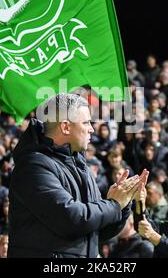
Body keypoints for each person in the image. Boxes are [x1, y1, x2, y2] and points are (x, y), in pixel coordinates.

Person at [8, 94, 147, 258]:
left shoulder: (81, 166)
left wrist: (123, 202)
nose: (92, 129)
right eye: (86, 122)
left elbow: (97, 232)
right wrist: (114, 204)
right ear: (66, 127)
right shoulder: (33, 166)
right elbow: (72, 220)